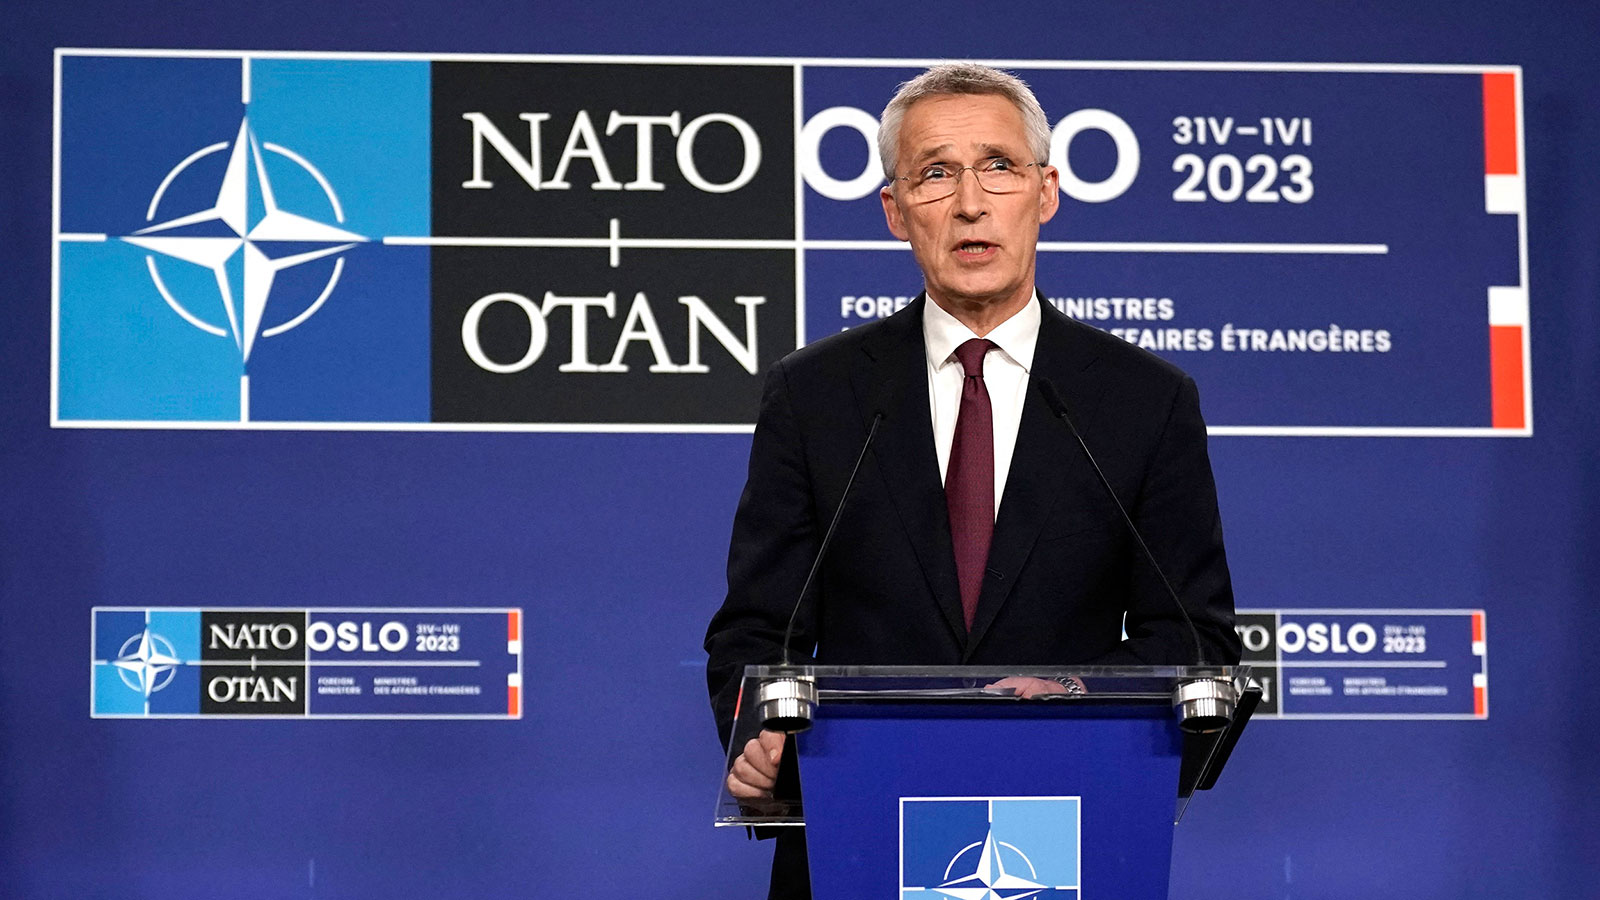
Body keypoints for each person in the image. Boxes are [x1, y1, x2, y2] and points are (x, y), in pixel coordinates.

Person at [704, 63, 1240, 900]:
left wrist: (1061, 700)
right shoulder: (816, 396)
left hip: (1071, 833)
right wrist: (760, 740)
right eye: (935, 174)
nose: (969, 202)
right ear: (895, 212)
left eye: (999, 166)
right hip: (854, 835)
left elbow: (1195, 637)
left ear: (1046, 192)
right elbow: (755, 634)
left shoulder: (1145, 401)